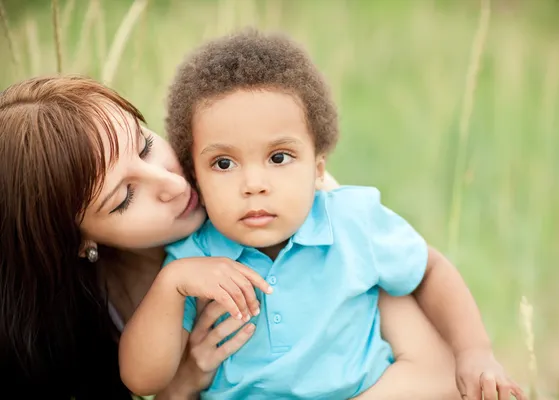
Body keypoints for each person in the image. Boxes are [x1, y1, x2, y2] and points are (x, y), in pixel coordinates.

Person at [119, 29, 525, 400]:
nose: (254, 183)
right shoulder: (195, 259)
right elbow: (143, 381)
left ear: (317, 169)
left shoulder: (352, 220)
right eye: (224, 164)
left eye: (279, 157)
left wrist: (474, 351)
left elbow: (431, 269)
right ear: (196, 177)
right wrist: (172, 283)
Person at [0, 75, 462, 399]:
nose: (175, 185)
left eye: (145, 145)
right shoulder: (72, 324)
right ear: (80, 242)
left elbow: (436, 373)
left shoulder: (287, 211)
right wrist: (183, 382)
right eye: (124, 198)